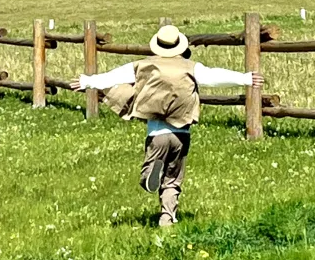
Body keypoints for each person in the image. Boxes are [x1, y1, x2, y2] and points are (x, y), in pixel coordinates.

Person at [69, 23, 263, 227]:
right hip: (182, 134)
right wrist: (245, 78)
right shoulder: (191, 67)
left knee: (151, 171)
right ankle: (167, 217)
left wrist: (87, 81)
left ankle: (150, 174)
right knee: (173, 179)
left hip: (157, 133)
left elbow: (113, 77)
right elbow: (214, 76)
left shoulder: (144, 65)